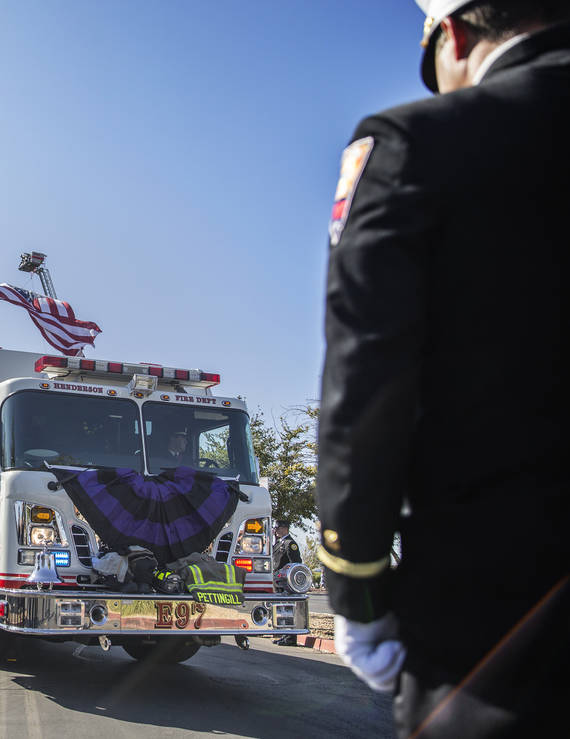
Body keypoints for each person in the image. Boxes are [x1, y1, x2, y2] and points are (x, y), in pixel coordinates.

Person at [315, 1, 569, 736]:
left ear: (452, 36)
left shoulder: (415, 144)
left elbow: (367, 382)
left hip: (497, 631)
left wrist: (357, 589)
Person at [271, 520, 301, 646]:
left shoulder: (290, 544)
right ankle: (284, 635)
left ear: (285, 528)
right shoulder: (279, 542)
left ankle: (290, 638)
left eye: (277, 528)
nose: (275, 530)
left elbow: (296, 564)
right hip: (278, 582)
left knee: (288, 609)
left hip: (286, 583)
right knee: (282, 610)